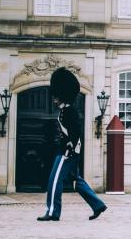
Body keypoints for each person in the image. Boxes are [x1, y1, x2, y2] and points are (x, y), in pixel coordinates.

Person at [38, 67, 107, 222]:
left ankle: (52, 211)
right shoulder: (64, 110)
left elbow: (76, 131)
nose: (54, 98)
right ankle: (97, 205)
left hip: (67, 152)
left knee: (54, 180)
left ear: (62, 95)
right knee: (77, 182)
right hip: (66, 150)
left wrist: (70, 146)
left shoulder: (70, 111)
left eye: (56, 96)